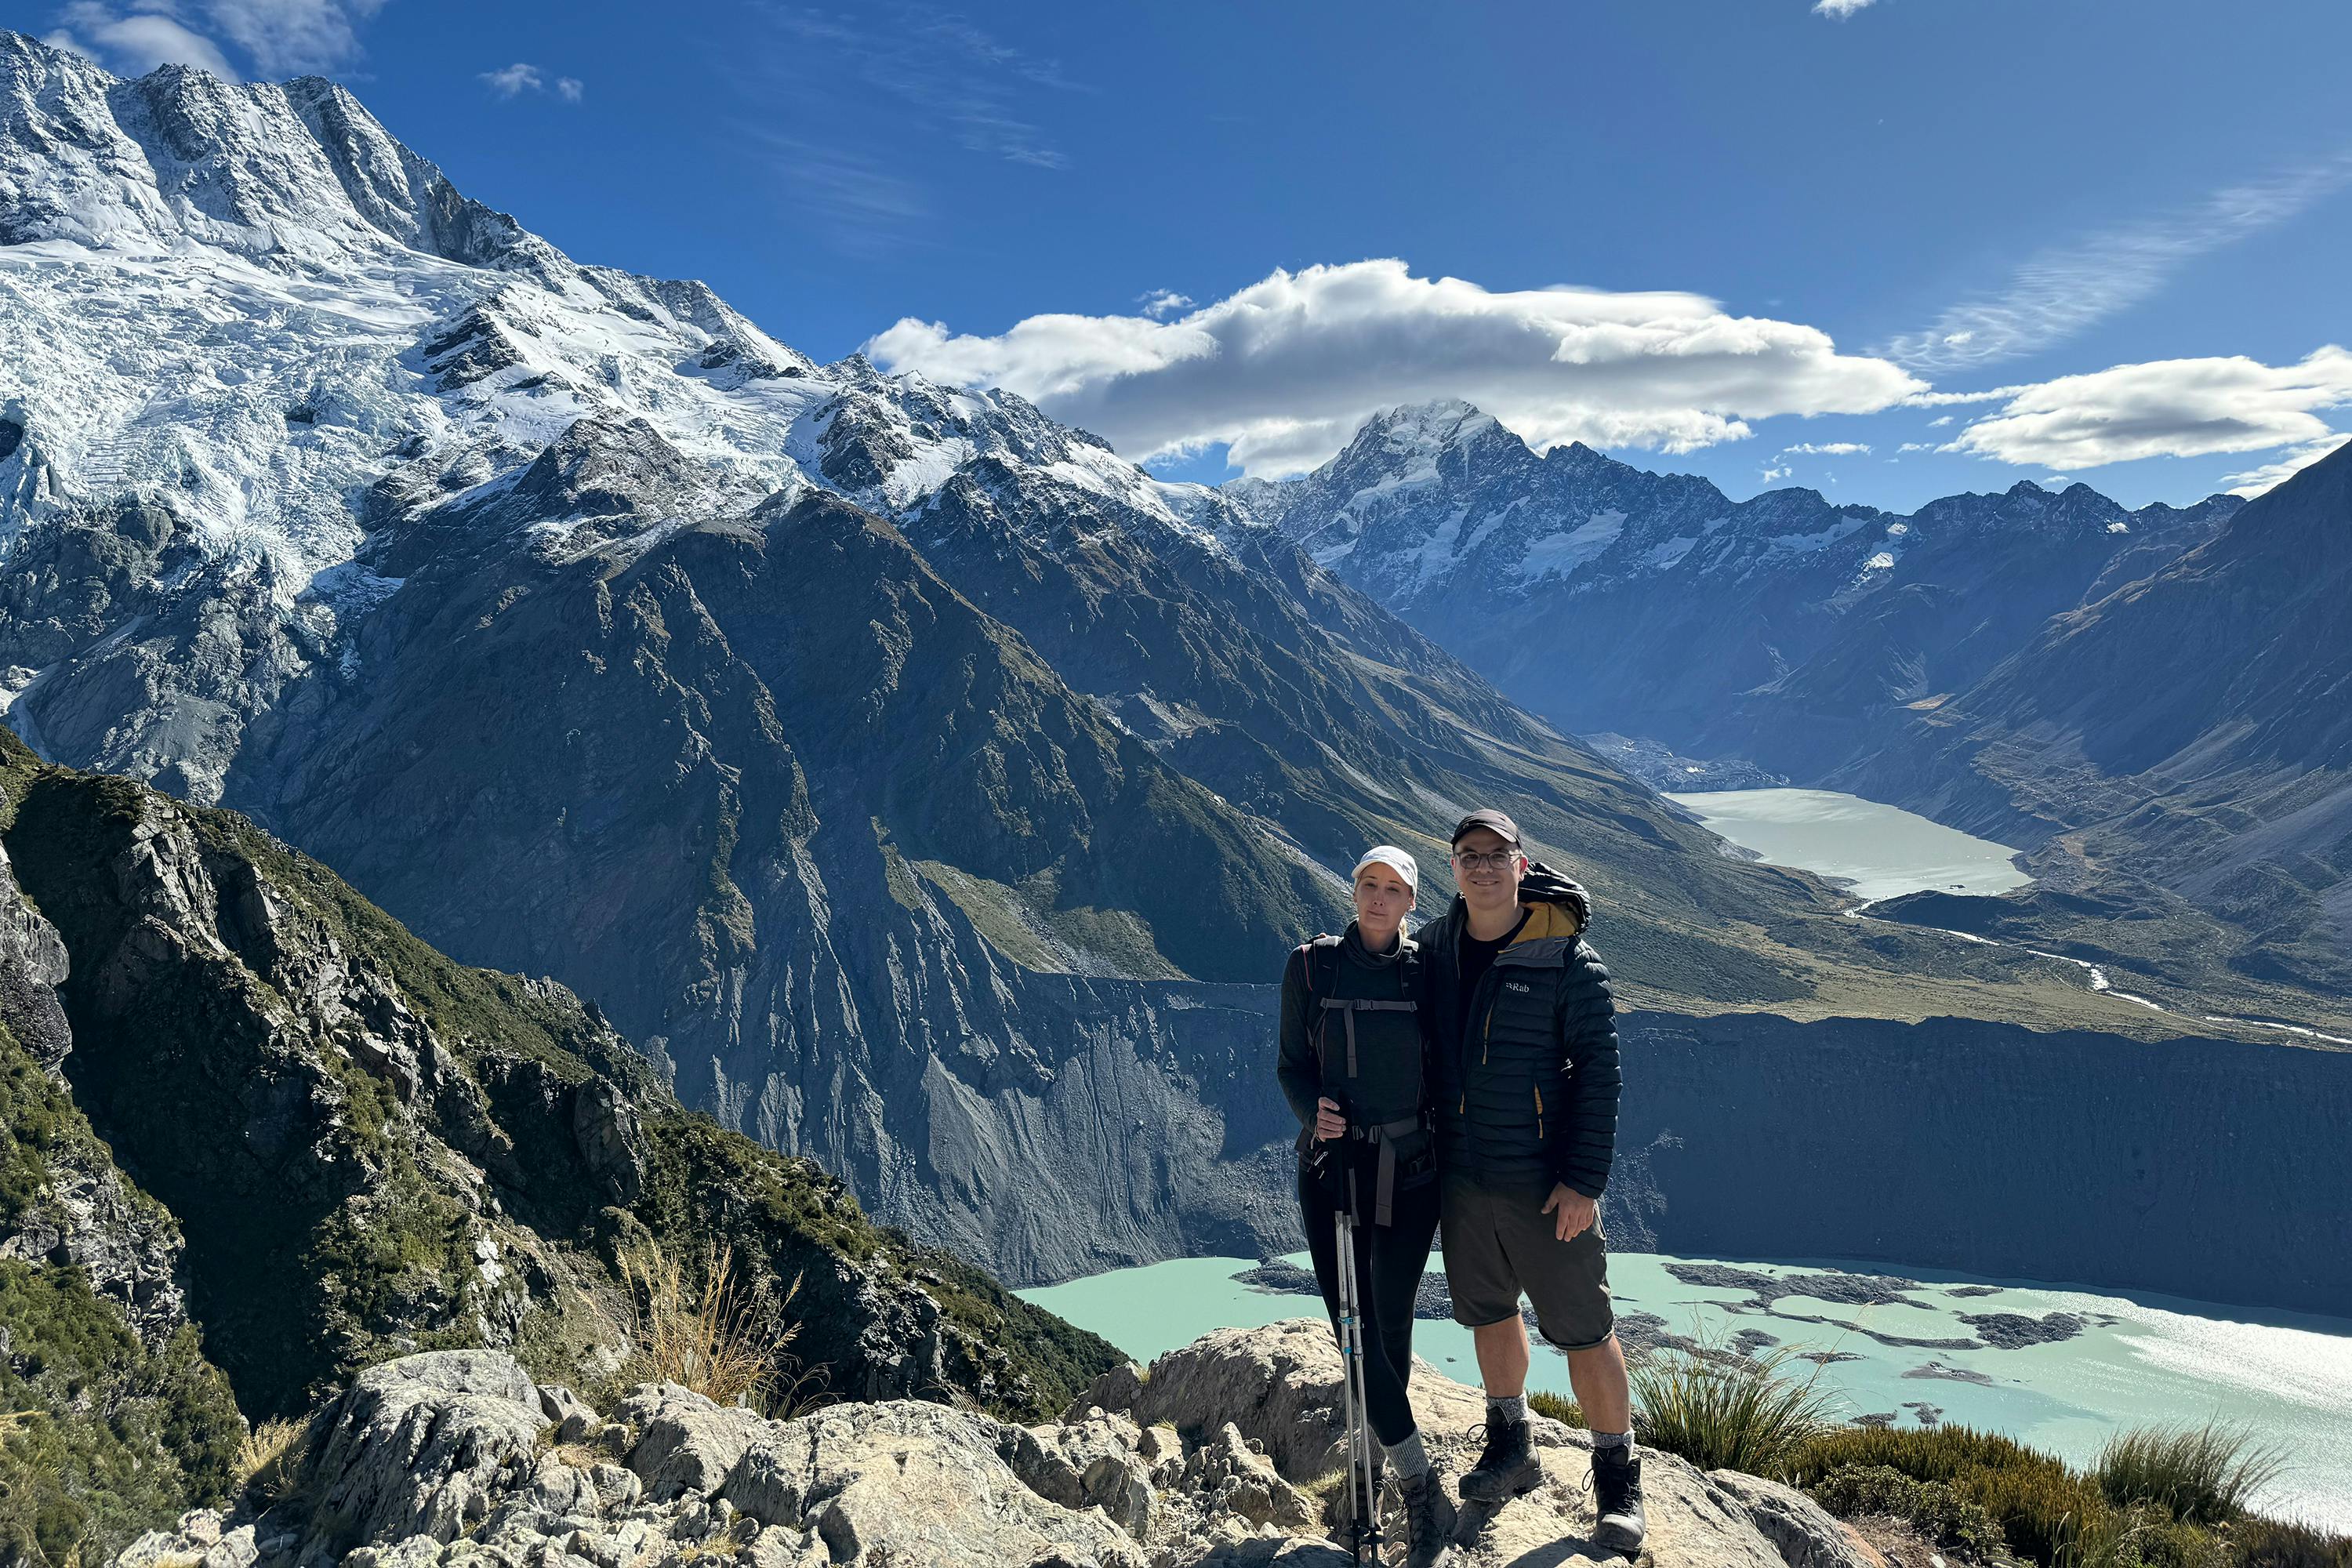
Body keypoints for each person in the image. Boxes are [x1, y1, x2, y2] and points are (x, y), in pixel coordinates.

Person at [1419, 809, 1643, 1555]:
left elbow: (1600, 1076)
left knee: (1584, 1328)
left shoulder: (1568, 961)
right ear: (1453, 867)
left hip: (1546, 1186)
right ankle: (1511, 1444)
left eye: (1496, 854)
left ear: (1522, 864)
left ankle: (1618, 1476)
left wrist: (1584, 1180)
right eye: (1468, 855)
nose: (1482, 867)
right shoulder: (1436, 952)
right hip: (1465, 1179)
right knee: (1488, 1313)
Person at [1276, 846, 1455, 1567]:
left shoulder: (1427, 974)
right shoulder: (1311, 968)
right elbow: (1292, 1065)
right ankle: (1420, 1487)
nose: (1378, 900)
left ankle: (1385, 1468)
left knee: (1389, 1326)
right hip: (1331, 1172)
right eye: (1368, 886)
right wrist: (1308, 1109)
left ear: (1411, 902)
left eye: (1393, 890)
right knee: (1353, 1332)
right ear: (1352, 891)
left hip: (1410, 1174)